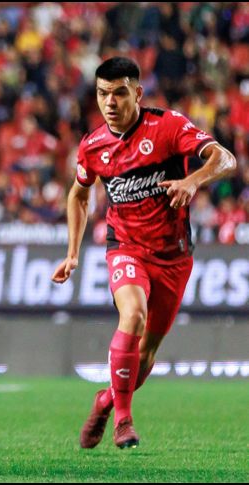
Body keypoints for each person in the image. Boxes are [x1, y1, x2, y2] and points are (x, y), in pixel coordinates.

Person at [51, 57, 237, 449]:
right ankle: (123, 420)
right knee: (132, 315)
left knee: (147, 353)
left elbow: (226, 158)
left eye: (119, 93)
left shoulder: (168, 127)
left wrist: (193, 180)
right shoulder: (93, 146)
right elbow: (79, 195)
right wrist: (72, 253)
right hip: (126, 247)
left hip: (173, 255)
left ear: (137, 92)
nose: (110, 103)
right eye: (103, 94)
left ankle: (106, 399)